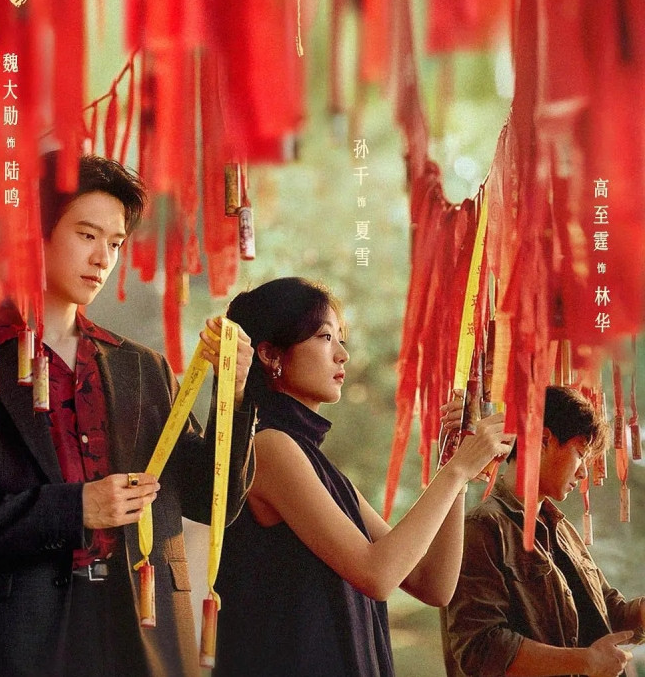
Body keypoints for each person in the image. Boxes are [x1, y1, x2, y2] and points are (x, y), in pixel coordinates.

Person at [0, 153, 256, 677]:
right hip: (15, 637)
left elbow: (209, 498)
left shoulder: (142, 367)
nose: (103, 258)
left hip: (141, 633)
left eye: (116, 243)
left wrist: (234, 395)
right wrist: (73, 508)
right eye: (86, 235)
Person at [207, 276, 514, 677]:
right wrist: (456, 472)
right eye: (325, 337)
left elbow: (433, 584)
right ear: (270, 354)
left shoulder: (316, 464)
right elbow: (376, 575)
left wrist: (453, 463)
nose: (342, 355)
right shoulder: (269, 447)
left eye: (341, 339)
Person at [441, 384, 645, 677]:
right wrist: (584, 661)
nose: (583, 472)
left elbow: (606, 614)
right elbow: (481, 647)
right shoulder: (483, 528)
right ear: (545, 440)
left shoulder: (563, 531)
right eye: (580, 453)